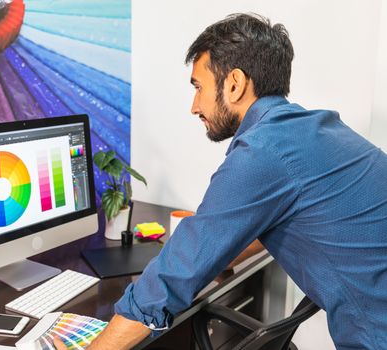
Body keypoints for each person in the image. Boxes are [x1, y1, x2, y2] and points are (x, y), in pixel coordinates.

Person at [55, 13, 387, 350]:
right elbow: (269, 220)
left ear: (234, 83)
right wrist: (215, 250)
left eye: (199, 88)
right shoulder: (315, 128)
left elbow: (170, 278)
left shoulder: (264, 151)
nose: (194, 106)